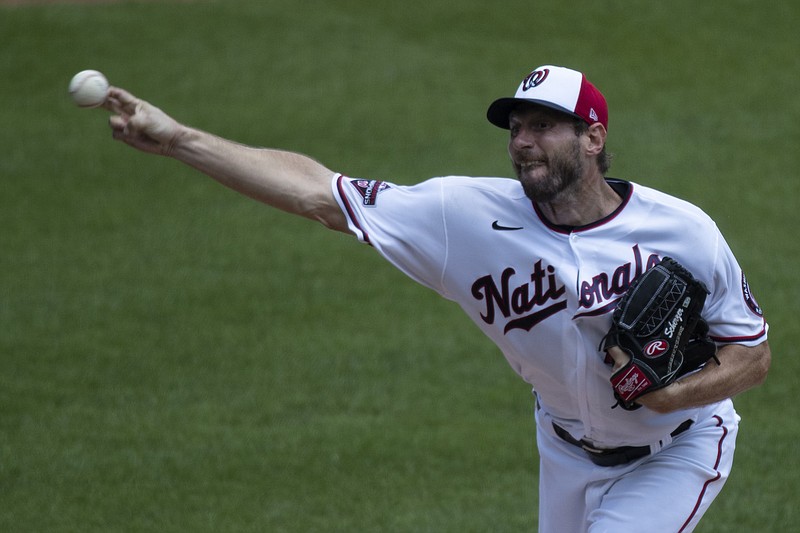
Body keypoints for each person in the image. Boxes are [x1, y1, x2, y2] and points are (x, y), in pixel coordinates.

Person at [100, 64, 770, 532]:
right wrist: (181, 138)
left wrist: (671, 396)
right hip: (565, 449)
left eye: (544, 125)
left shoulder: (680, 228)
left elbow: (753, 353)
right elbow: (318, 195)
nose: (523, 140)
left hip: (678, 446)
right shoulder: (463, 214)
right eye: (516, 127)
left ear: (593, 138)